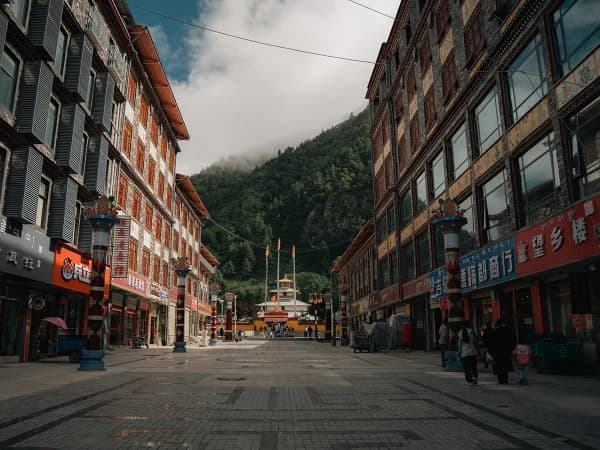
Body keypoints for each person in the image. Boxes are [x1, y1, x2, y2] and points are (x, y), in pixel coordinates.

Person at [488, 318, 516, 384]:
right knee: (505, 366)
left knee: (499, 366)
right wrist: (510, 349)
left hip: (497, 352)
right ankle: (505, 380)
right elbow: (513, 341)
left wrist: (492, 352)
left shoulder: (494, 332)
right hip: (506, 351)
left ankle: (500, 380)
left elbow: (490, 343)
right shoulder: (508, 331)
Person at [458, 321, 479, 385]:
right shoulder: (471, 331)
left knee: (467, 368)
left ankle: (469, 380)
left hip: (465, 353)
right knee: (473, 367)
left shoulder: (460, 333)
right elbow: (475, 342)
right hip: (473, 352)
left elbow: (460, 345)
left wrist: (459, 353)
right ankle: (474, 377)